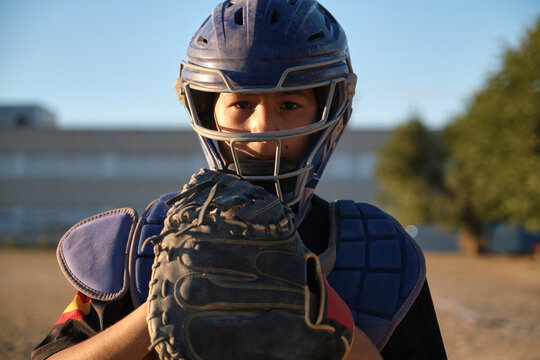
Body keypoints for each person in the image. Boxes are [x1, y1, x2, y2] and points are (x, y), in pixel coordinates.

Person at [32, 1, 447, 359]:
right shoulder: (140, 246)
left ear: (328, 110)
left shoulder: (379, 253)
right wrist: (161, 304)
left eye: (289, 103)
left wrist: (321, 314)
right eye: (241, 104)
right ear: (207, 109)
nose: (263, 128)